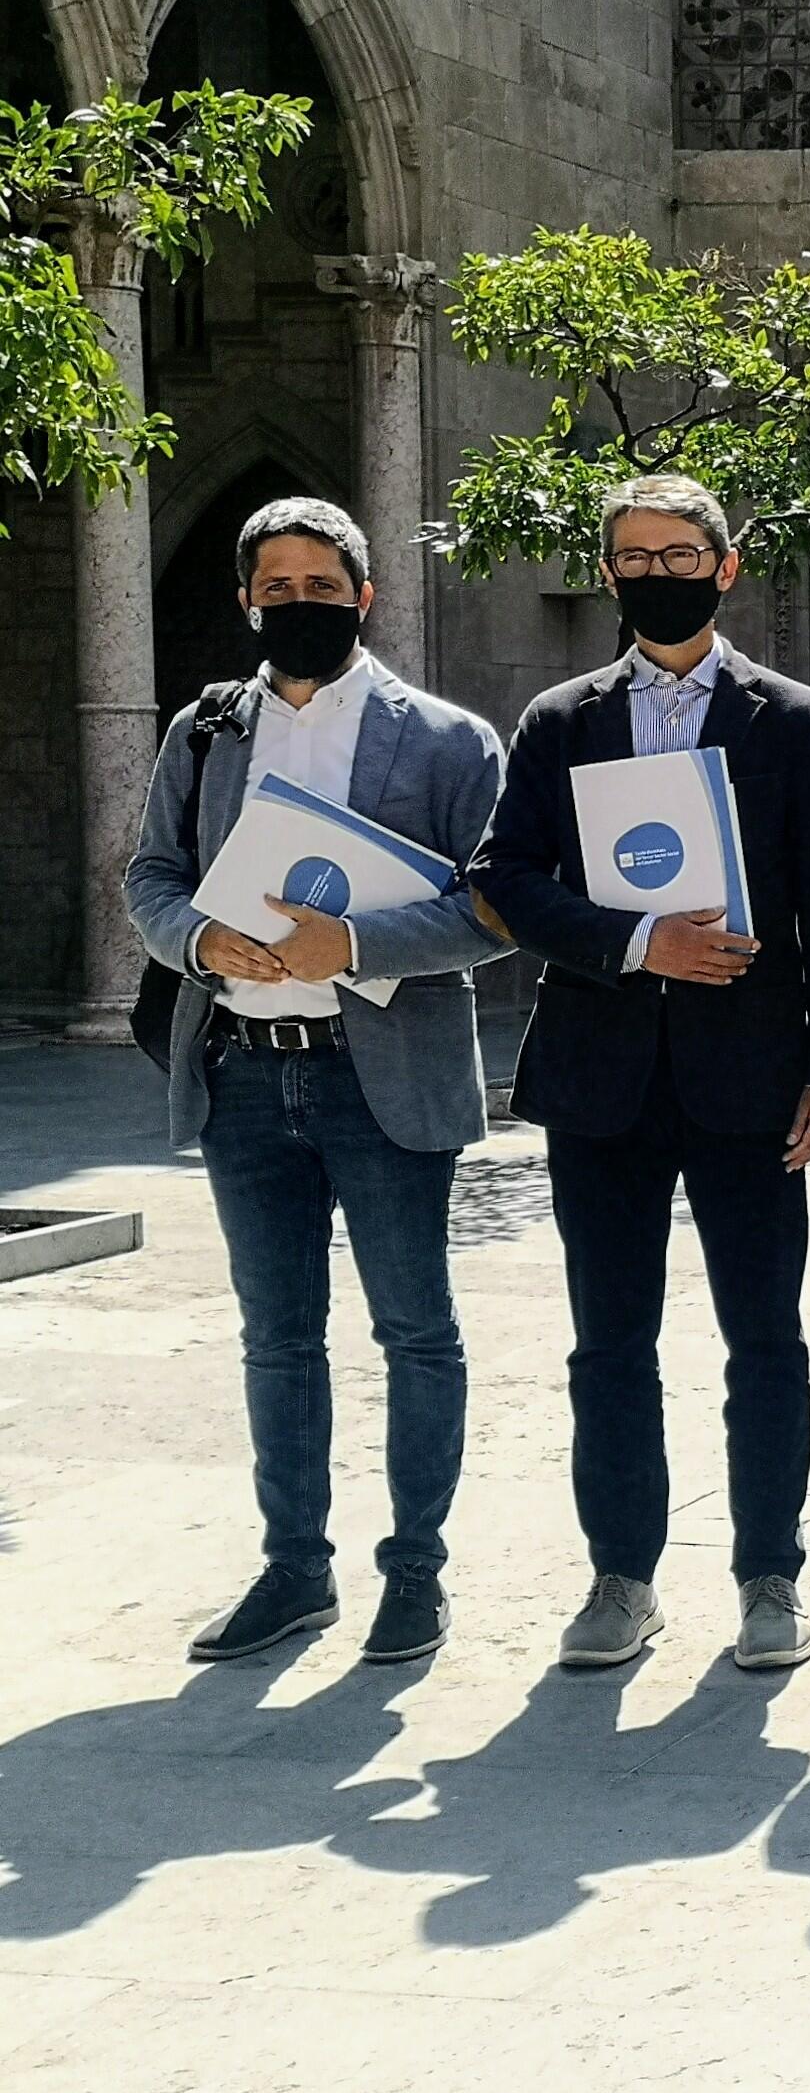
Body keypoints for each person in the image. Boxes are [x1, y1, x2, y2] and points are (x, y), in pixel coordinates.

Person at [471, 471, 810, 1675]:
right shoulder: (560, 720)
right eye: (635, 555)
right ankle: (621, 1577)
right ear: (609, 573)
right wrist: (640, 941)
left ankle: (769, 1577)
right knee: (609, 1343)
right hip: (601, 1080)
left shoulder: (795, 720)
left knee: (767, 1339)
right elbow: (506, 876)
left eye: (681, 553)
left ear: (726, 566)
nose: (659, 573)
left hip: (750, 1080)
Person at [124, 498, 512, 1666]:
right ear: (248, 601)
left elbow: (496, 909)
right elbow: (149, 873)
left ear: (366, 594)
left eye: (322, 584)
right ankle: (294, 1571)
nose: (301, 603)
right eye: (276, 587)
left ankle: (415, 1574)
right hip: (245, 1074)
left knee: (415, 1332)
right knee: (277, 1338)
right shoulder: (205, 732)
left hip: (378, 1075)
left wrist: (352, 946)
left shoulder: (449, 739)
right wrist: (197, 939)